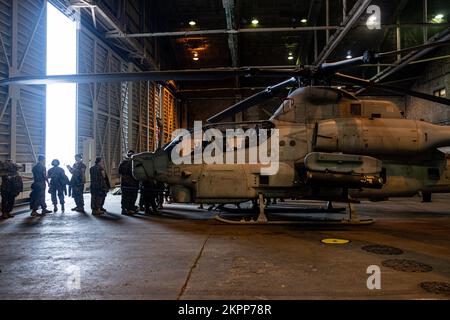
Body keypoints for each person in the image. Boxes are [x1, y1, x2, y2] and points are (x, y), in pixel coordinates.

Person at [118, 150, 139, 215]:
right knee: (132, 197)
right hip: (132, 183)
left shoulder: (122, 162)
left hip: (124, 183)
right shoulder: (133, 163)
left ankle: (124, 209)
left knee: (124, 196)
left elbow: (119, 172)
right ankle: (130, 209)